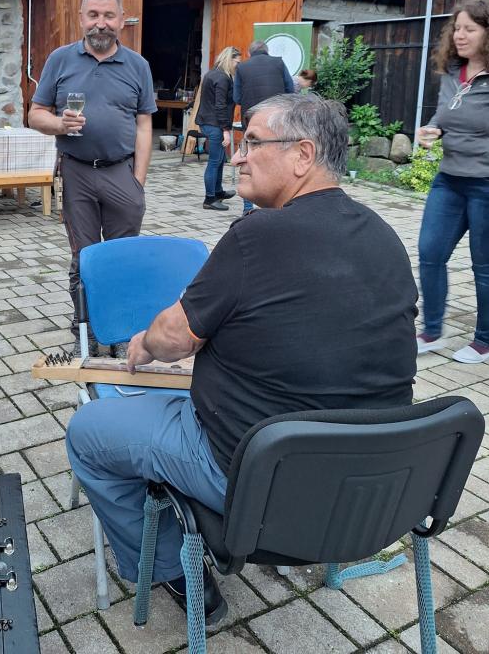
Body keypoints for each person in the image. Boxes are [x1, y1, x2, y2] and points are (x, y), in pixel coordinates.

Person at [66, 93, 417, 622]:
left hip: (260, 479)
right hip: (371, 489)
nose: (236, 156)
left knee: (89, 432)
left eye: (252, 142)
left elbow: (174, 337)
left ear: (303, 155)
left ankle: (175, 571)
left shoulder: (256, 235)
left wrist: (142, 344)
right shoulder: (385, 236)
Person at [28, 0, 157, 357]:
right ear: (81, 18)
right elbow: (35, 114)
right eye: (94, 15)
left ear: (121, 20)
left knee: (122, 257)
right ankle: (85, 328)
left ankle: (119, 328)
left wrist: (138, 180)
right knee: (84, 258)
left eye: (109, 16)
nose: (101, 23)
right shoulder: (60, 60)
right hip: (78, 173)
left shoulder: (138, 66)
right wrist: (58, 124)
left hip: (121, 173)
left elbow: (144, 125)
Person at [414, 0, 489, 364]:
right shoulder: (452, 72)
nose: (459, 35)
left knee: (484, 267)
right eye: (456, 28)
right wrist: (434, 130)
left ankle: (484, 340)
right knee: (430, 253)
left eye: (469, 29)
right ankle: (431, 331)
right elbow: (446, 116)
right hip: (449, 180)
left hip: (485, 185)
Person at [233, 39, 295, 214]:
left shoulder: (242, 67)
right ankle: (278, 203)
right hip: (277, 122)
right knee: (278, 159)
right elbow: (291, 90)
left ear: (249, 53)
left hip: (251, 122)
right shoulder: (279, 63)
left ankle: (247, 208)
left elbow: (237, 98)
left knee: (248, 159)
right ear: (267, 51)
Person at [195, 46, 240, 211]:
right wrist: (226, 130)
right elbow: (220, 105)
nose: (238, 65)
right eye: (237, 62)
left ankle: (218, 191)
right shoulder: (222, 78)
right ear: (229, 59)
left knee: (220, 159)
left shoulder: (212, 73)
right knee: (214, 161)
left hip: (208, 121)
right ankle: (209, 199)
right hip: (215, 124)